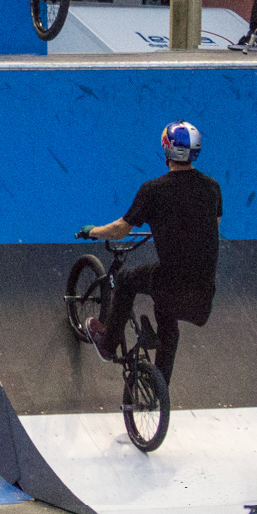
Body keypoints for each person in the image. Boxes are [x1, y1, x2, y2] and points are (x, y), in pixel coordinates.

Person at [73, 122, 221, 383]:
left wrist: (93, 231)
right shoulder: (212, 188)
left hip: (171, 286)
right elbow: (212, 226)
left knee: (127, 279)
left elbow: (120, 230)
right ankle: (157, 388)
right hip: (202, 297)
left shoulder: (153, 190)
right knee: (167, 322)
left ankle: (108, 343)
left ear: (166, 151)